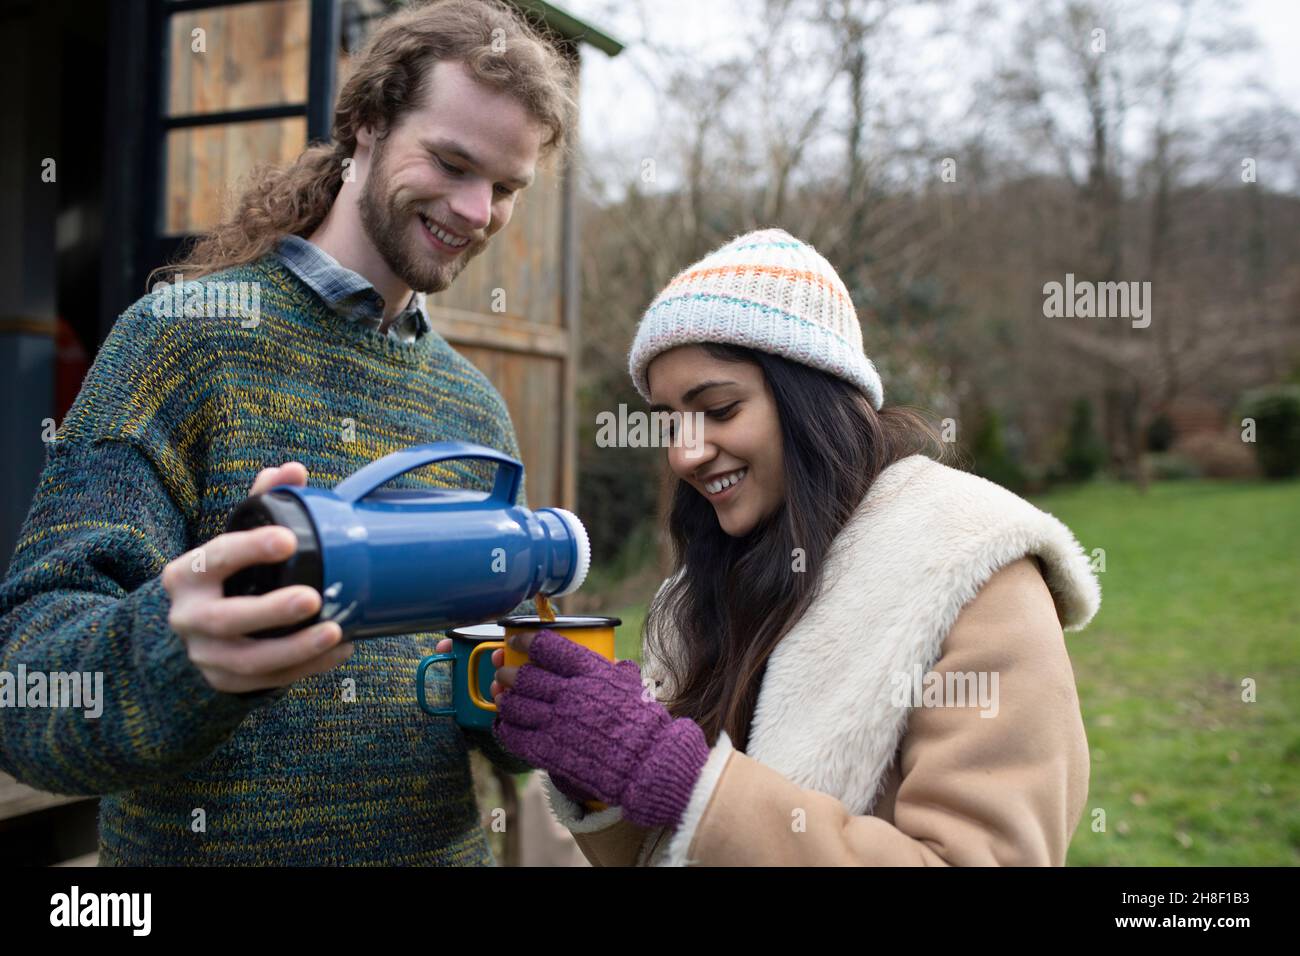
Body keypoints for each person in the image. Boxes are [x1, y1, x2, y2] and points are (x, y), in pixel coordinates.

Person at [0, 0, 575, 865]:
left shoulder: (475, 412)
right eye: (453, 163)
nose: (475, 209)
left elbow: (481, 714)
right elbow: (25, 690)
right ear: (367, 125)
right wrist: (172, 650)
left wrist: (537, 697)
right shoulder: (182, 341)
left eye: (505, 187)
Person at [488, 228, 1101, 866]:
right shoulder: (705, 583)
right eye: (671, 421)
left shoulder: (974, 568)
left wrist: (684, 781)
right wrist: (598, 771)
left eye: (719, 409)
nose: (684, 454)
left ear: (814, 399)